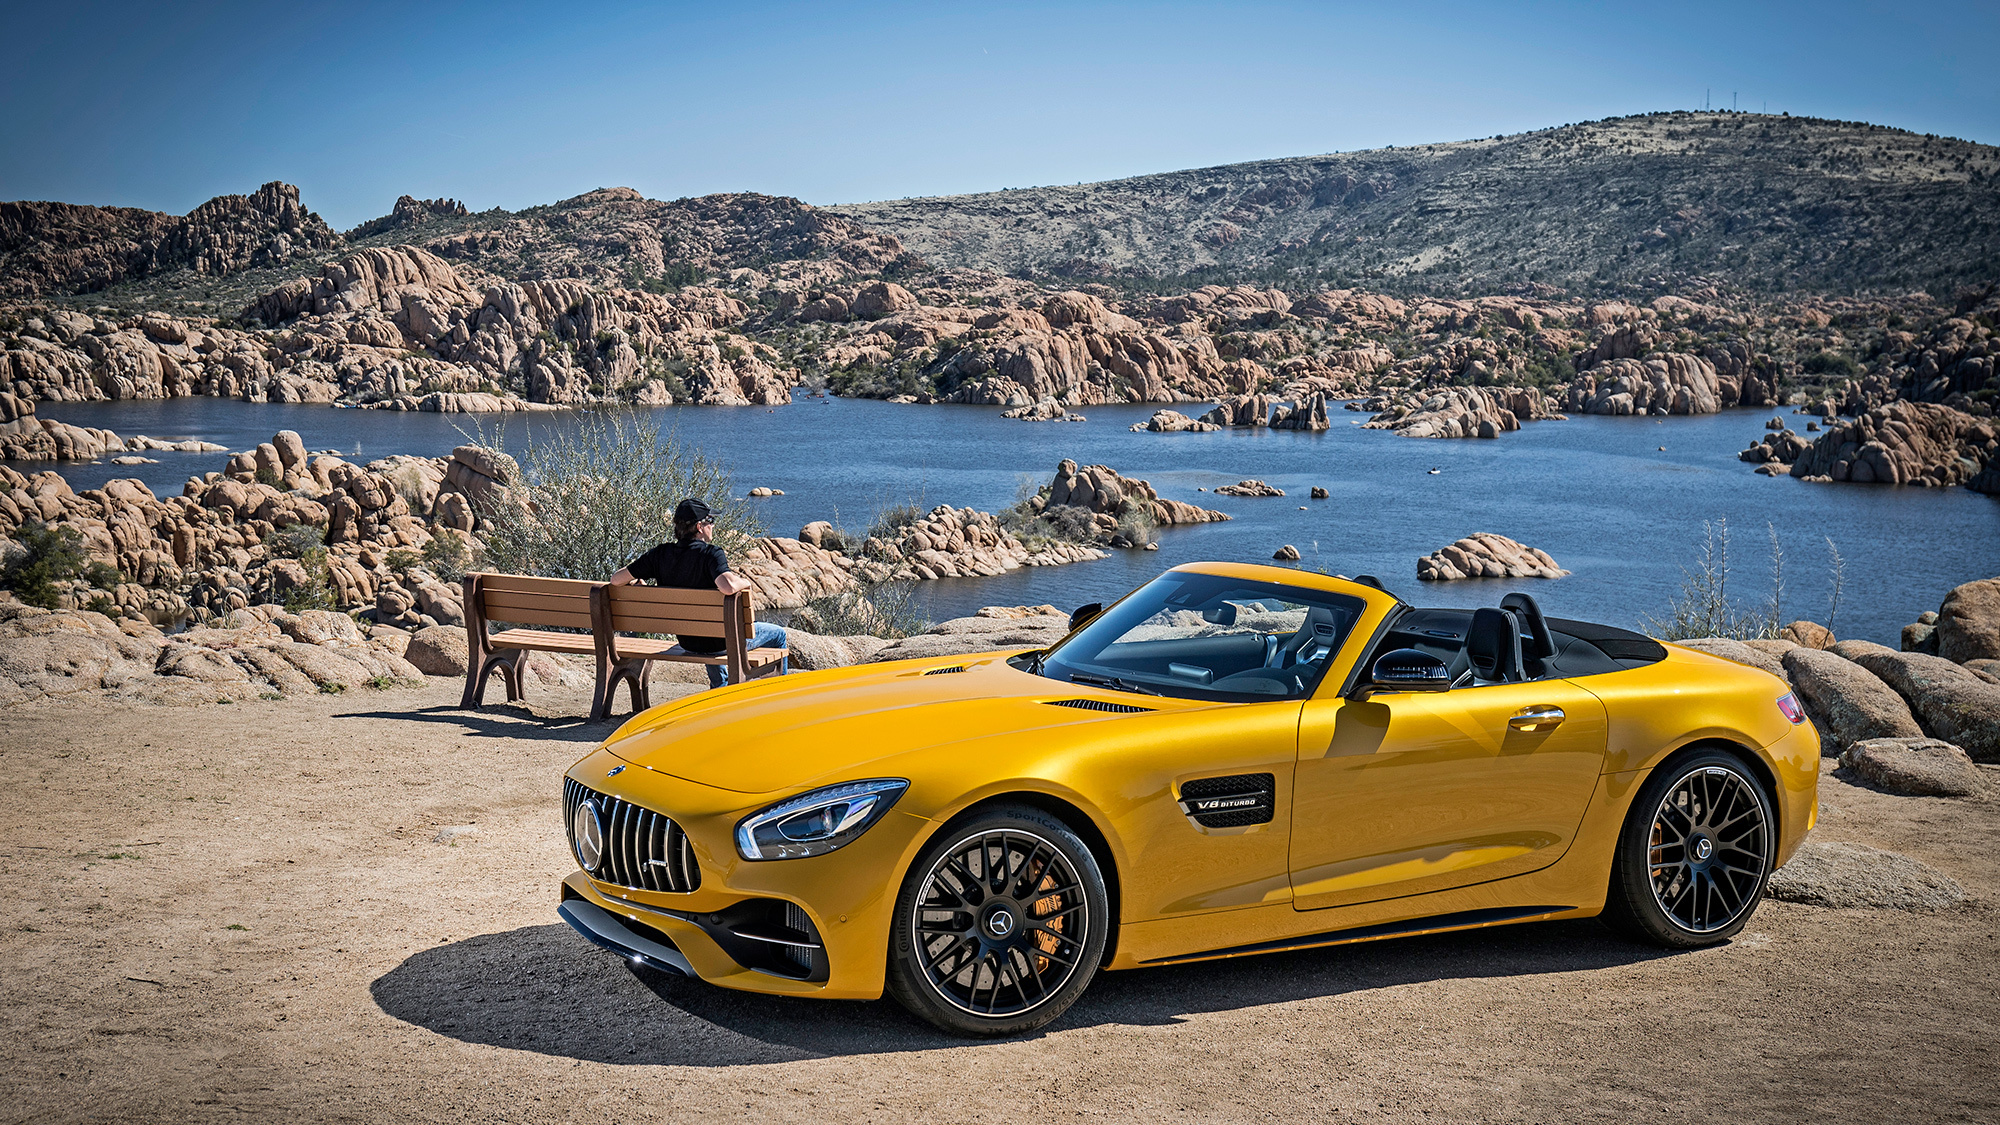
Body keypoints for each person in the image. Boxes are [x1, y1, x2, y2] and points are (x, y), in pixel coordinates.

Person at [609, 498, 786, 689]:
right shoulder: (711, 554)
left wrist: (637, 583)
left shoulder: (659, 554)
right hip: (721, 643)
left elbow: (616, 580)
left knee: (711, 628)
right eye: (711, 521)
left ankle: (719, 685)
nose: (713, 525)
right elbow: (727, 586)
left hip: (688, 641)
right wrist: (746, 582)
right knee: (779, 635)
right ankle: (778, 692)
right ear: (700, 527)